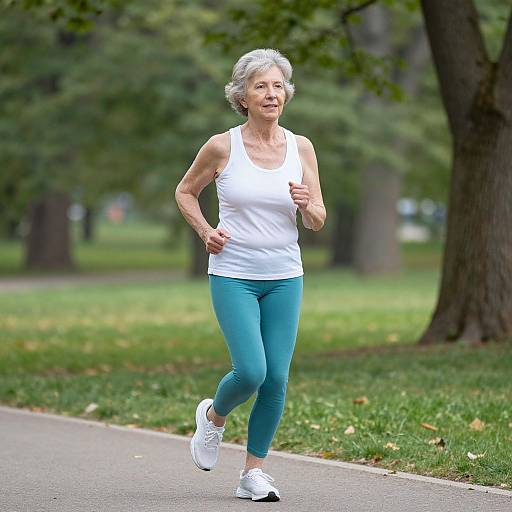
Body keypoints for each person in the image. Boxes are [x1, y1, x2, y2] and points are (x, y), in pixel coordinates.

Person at [174, 48, 326, 502]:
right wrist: (206, 231)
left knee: (277, 377)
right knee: (253, 371)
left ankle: (252, 474)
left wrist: (307, 205)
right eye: (261, 86)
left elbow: (318, 217)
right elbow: (185, 192)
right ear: (242, 95)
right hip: (234, 274)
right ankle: (214, 417)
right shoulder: (223, 146)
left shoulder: (301, 147)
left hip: (285, 276)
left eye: (278, 85)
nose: (271, 94)